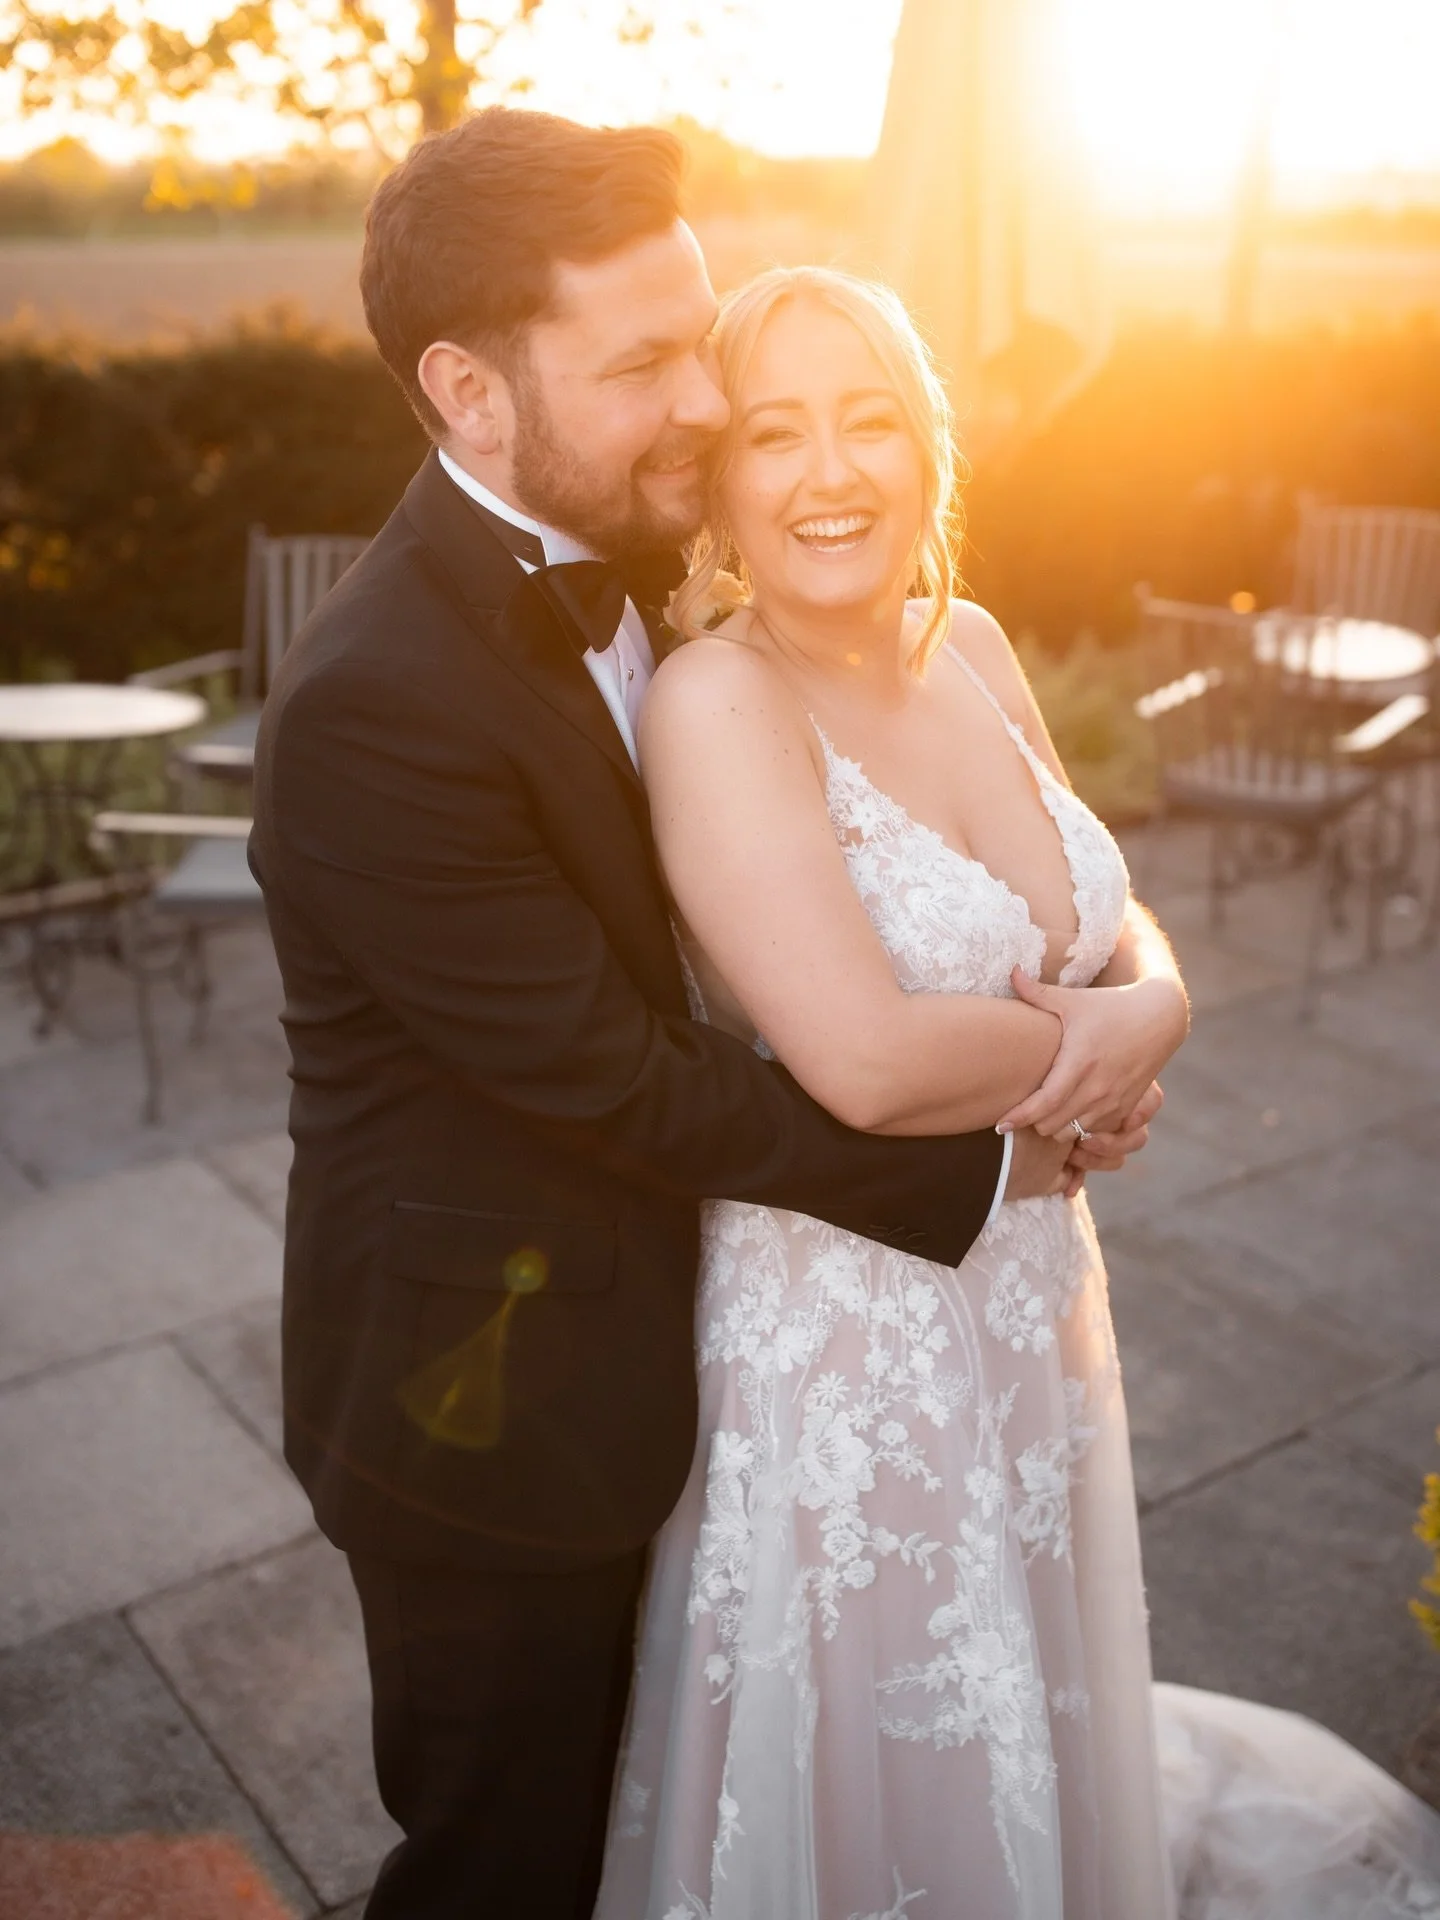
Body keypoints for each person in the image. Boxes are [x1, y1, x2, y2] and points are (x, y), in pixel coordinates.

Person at [249, 111, 1176, 1920]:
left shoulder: (682, 595)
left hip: (712, 1329)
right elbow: (629, 1079)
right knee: (506, 1866)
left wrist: (1149, 1001)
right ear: (468, 390)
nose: (703, 401)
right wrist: (1019, 1127)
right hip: (488, 1403)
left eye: (701, 338)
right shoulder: (375, 700)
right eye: (648, 362)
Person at [593, 265, 1440, 1920]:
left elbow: (1100, 903)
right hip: (852, 1342)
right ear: (721, 483)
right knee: (883, 1743)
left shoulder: (970, 643)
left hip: (1030, 1297)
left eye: (870, 423)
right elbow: (860, 1056)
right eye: (776, 433)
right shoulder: (720, 700)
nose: (831, 472)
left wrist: (1167, 1000)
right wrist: (1095, 1053)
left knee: (1024, 1702)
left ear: (930, 449)